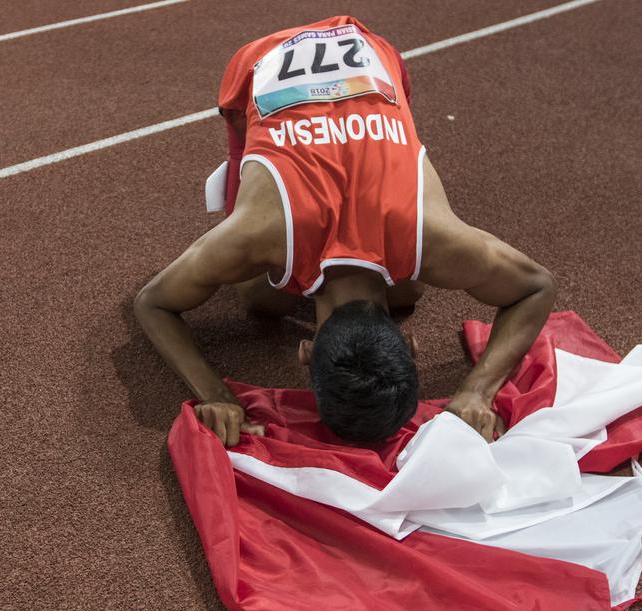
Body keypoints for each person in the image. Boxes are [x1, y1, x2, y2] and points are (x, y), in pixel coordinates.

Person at [135, 16, 556, 447]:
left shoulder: (433, 240)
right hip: (260, 62)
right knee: (257, 299)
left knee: (405, 291)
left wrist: (478, 392)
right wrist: (215, 395)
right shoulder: (257, 232)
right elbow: (151, 303)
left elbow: (537, 287)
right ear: (304, 351)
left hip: (376, 57)